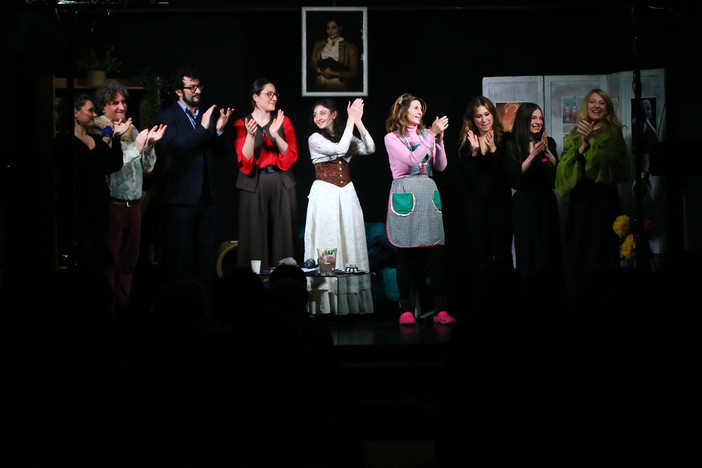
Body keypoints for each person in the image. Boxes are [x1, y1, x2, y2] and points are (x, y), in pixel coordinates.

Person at [156, 67, 233, 300]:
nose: (198, 91)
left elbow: (220, 152)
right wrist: (202, 129)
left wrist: (218, 131)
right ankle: (177, 305)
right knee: (179, 257)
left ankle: (205, 305)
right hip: (181, 197)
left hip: (206, 196)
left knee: (206, 256)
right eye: (192, 87)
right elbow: (175, 148)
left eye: (199, 86)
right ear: (179, 91)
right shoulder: (167, 116)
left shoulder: (206, 115)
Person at [92, 81, 166, 309]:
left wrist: (149, 145)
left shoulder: (131, 129)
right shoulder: (99, 130)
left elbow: (147, 167)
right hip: (113, 205)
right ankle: (107, 308)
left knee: (130, 261)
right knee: (110, 261)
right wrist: (136, 147)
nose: (121, 106)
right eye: (114, 102)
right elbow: (111, 164)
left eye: (123, 101)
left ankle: (123, 306)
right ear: (103, 107)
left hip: (133, 206)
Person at [384, 93, 457, 325]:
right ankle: (405, 308)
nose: (420, 112)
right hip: (405, 191)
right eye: (415, 107)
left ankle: (440, 309)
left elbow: (441, 166)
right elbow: (412, 159)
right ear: (403, 110)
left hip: (427, 193)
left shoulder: (427, 134)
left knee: (436, 253)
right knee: (404, 253)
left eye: (421, 108)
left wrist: (439, 141)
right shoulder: (392, 138)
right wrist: (431, 136)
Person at [303, 98, 375, 314]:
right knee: (329, 239)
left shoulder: (345, 134)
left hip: (346, 195)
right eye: (315, 114)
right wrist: (351, 119)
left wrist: (358, 121)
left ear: (334, 115)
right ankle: (326, 301)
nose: (318, 118)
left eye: (323, 113)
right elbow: (341, 149)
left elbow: (370, 148)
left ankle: (350, 300)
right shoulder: (314, 138)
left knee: (349, 239)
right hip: (326, 194)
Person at [555, 88, 629, 291]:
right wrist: (582, 147)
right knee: (579, 246)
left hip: (603, 198)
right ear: (586, 106)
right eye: (592, 102)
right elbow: (563, 167)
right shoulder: (575, 134)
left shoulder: (613, 134)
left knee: (601, 248)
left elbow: (617, 165)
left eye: (601, 103)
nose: (596, 106)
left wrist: (593, 144)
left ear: (607, 109)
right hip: (581, 199)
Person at [53, 94, 127, 270]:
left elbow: (114, 164)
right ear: (75, 113)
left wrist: (116, 138)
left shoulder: (96, 139)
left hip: (100, 208)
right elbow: (85, 165)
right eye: (91, 110)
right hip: (79, 208)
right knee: (85, 256)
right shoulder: (64, 142)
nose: (94, 115)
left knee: (99, 254)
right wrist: (105, 140)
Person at [234, 79, 298, 270]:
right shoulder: (241, 123)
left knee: (283, 235)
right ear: (255, 97)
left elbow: (291, 155)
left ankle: (284, 277)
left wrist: (276, 134)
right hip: (254, 182)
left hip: (281, 180)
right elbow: (244, 161)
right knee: (254, 235)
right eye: (269, 94)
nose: (274, 98)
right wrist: (250, 136)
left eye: (275, 94)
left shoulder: (284, 121)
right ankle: (255, 280)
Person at [457, 96, 512, 300]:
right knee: (480, 255)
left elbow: (505, 175)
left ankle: (507, 297)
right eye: (478, 116)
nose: (483, 119)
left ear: (493, 115)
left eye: (486, 114)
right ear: (472, 119)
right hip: (476, 207)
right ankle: (482, 299)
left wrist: (493, 151)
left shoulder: (506, 138)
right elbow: (466, 180)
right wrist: (474, 153)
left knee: (502, 253)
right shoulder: (467, 142)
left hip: (499, 205)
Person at [503, 102, 562, 281]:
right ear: (524, 120)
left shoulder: (547, 142)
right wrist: (532, 156)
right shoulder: (512, 145)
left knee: (548, 251)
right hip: (524, 205)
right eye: (533, 118)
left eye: (540, 118)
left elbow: (555, 175)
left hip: (546, 203)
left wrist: (548, 154)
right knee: (526, 252)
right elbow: (514, 179)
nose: (538, 122)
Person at [309, 18, 360, 92]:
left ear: (340, 28)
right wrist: (321, 71)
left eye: (334, 28)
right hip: (320, 82)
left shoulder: (350, 47)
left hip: (339, 84)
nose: (330, 31)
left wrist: (334, 73)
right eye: (328, 28)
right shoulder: (319, 44)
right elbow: (312, 63)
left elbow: (354, 72)